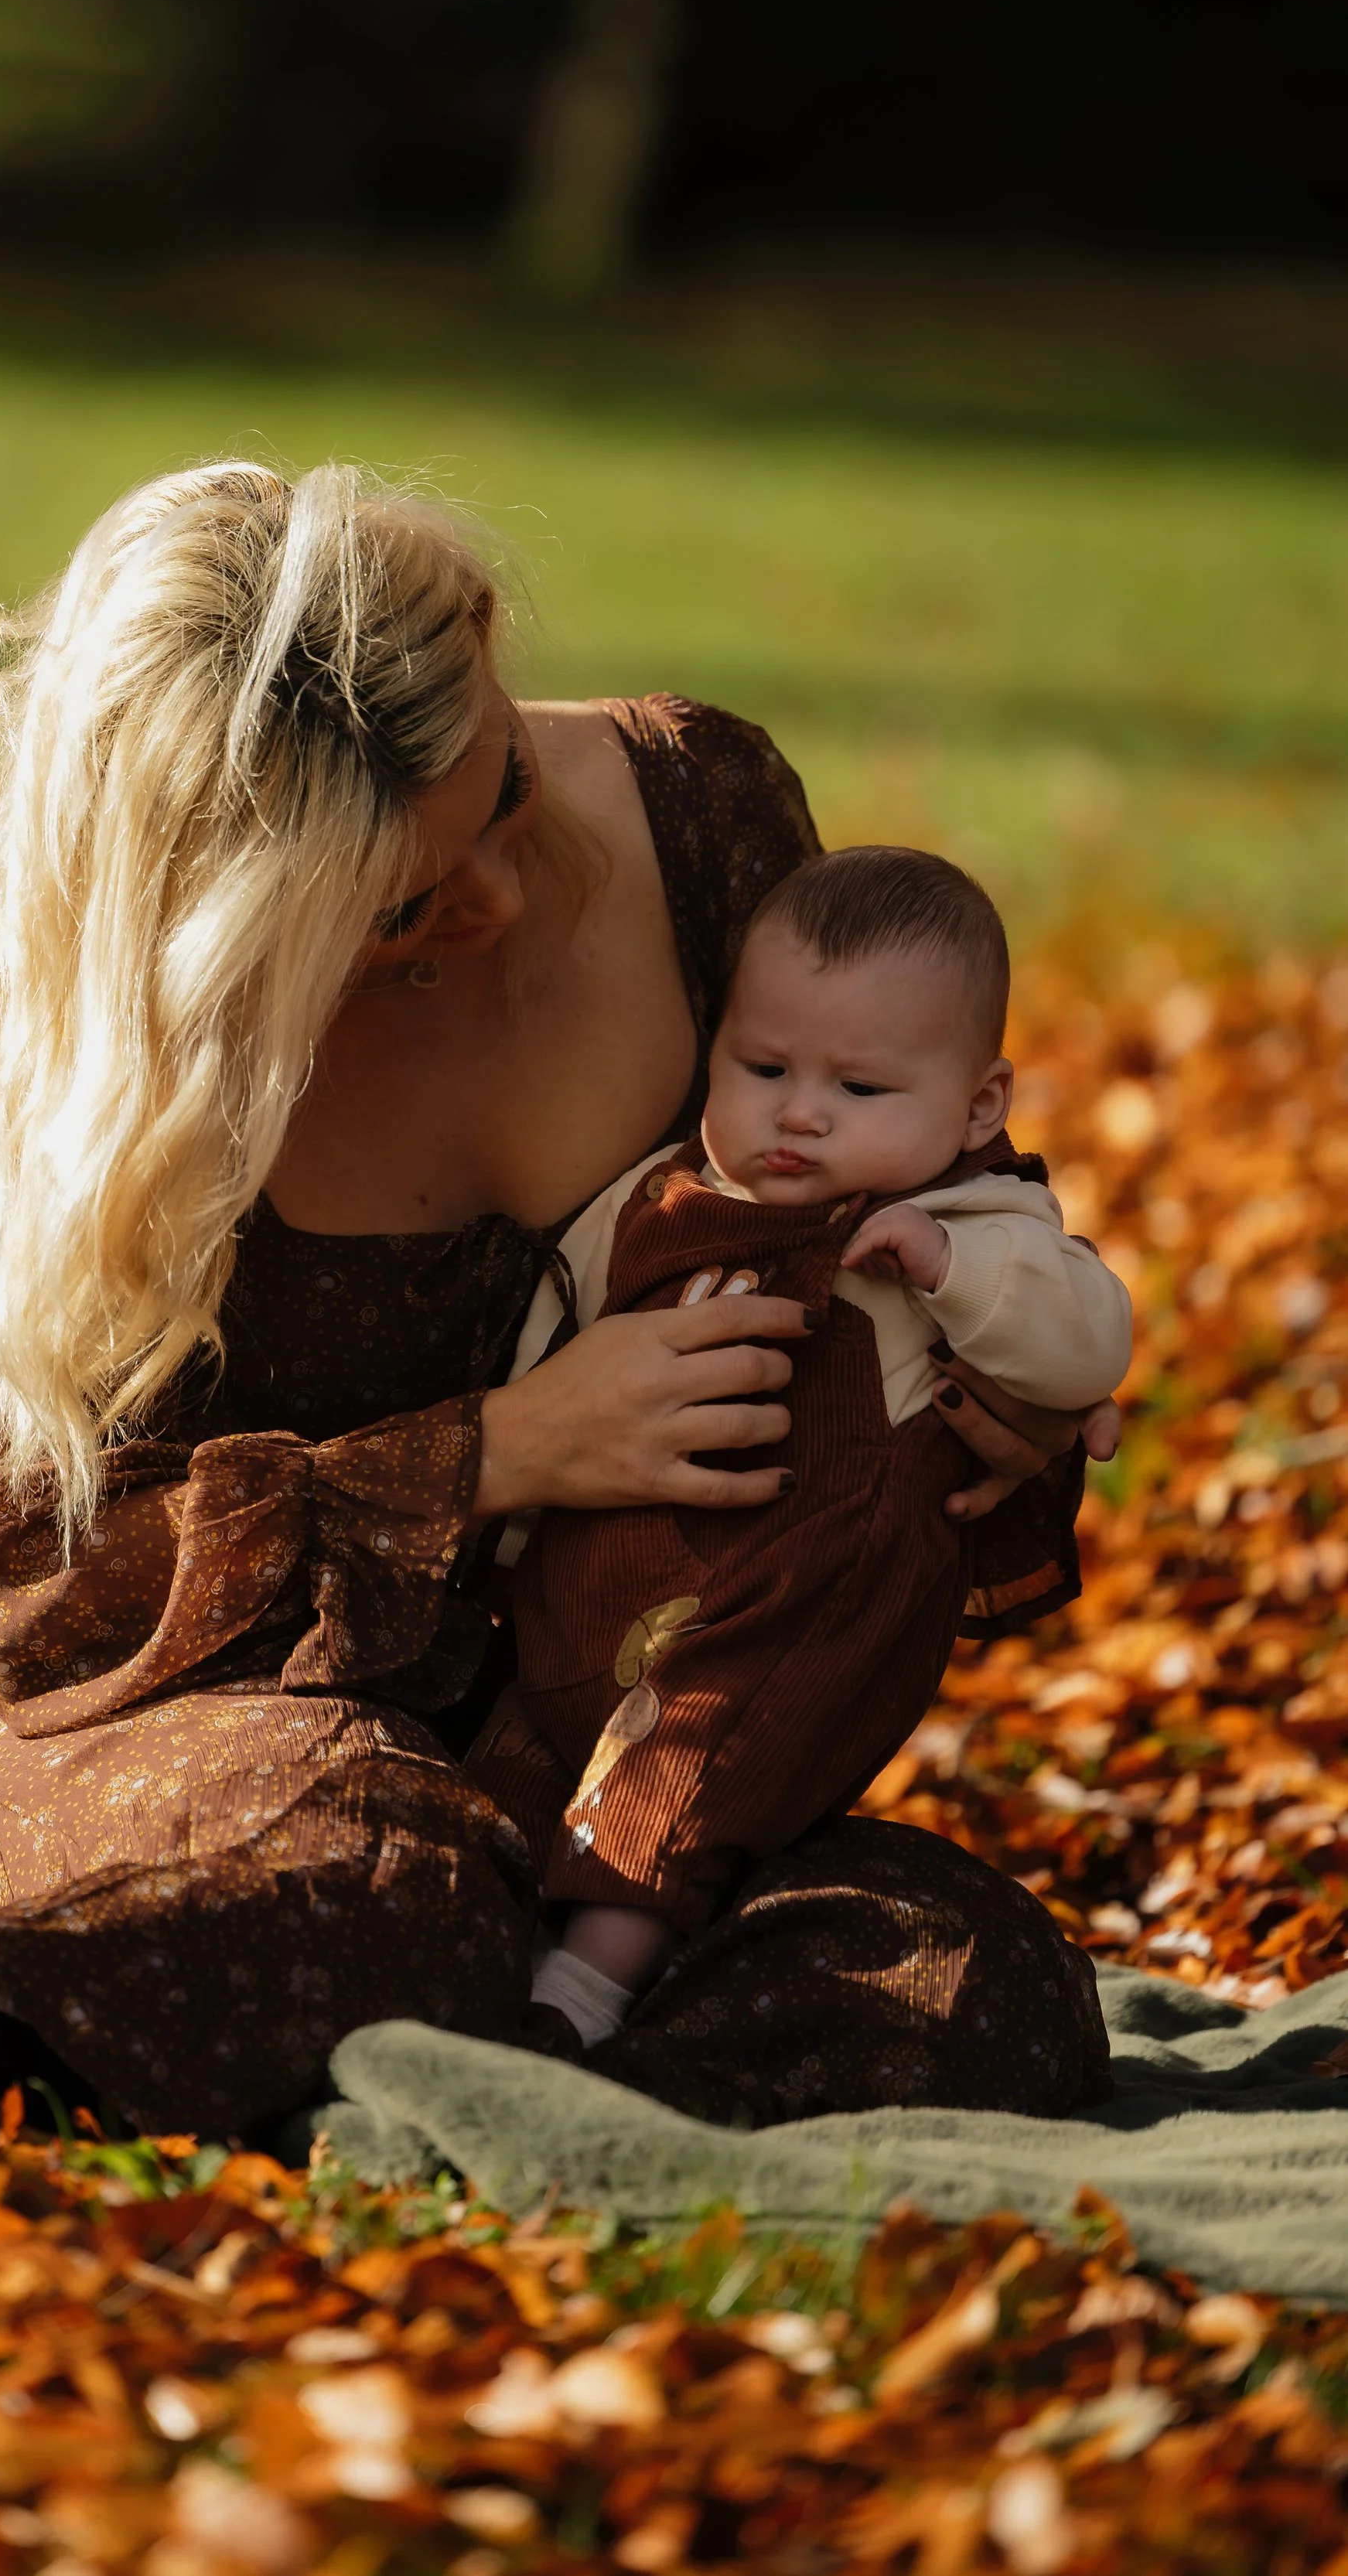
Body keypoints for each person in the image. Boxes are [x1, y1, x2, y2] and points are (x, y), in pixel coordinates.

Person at [0, 465, 1116, 2141]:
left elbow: (924, 1161)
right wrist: (497, 1454)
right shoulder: (78, 1105)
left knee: (969, 1981)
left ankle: (422, 2075)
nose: (500, 901)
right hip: (210, 1768)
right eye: (395, 907)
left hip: (608, 1776)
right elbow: (38, 1604)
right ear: (228, 927)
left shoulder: (703, 819)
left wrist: (997, 1376)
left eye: (503, 791)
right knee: (373, 1864)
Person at [483, 846, 1131, 2053]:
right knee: (510, 1767)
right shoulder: (659, 1201)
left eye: (861, 1088)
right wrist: (514, 1517)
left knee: (692, 1758)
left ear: (978, 1105)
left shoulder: (975, 1222)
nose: (798, 1112)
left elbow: (1091, 1338)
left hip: (792, 1605)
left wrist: (957, 1276)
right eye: (764, 1065)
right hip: (587, 1590)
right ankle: (502, 1940)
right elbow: (550, 1331)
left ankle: (588, 1986)